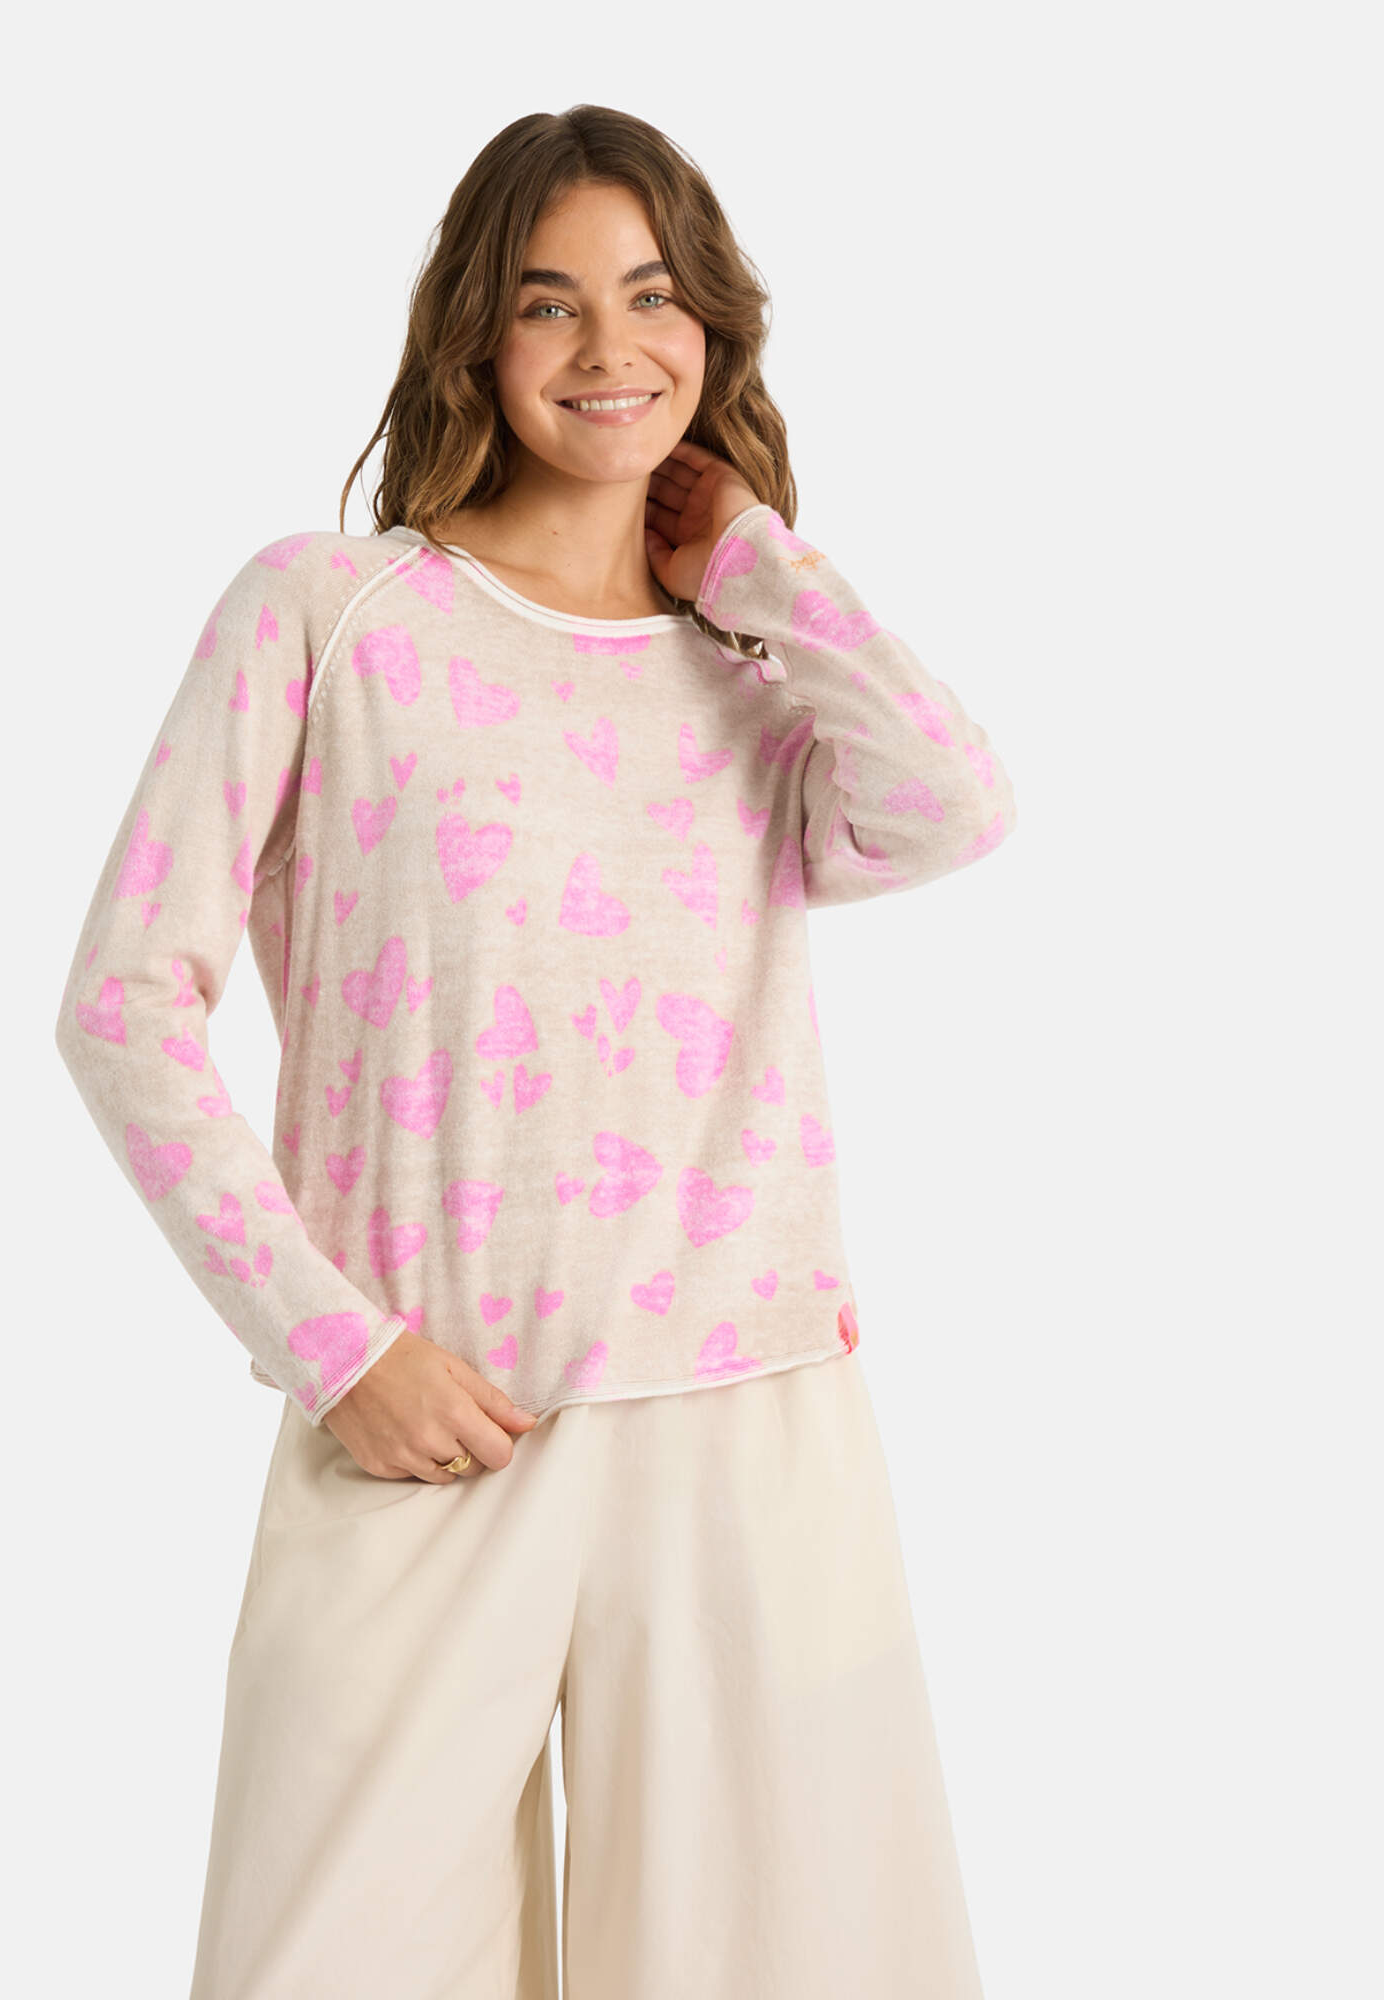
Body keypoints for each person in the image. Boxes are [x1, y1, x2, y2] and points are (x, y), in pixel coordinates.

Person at [54, 101, 1016, 2000]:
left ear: (712, 328)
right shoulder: (329, 616)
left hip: (746, 1409)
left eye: (653, 298)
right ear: (476, 336)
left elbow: (955, 802)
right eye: (549, 302)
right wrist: (333, 1347)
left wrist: (754, 560)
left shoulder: (751, 675)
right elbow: (122, 1006)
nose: (608, 349)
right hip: (431, 1421)